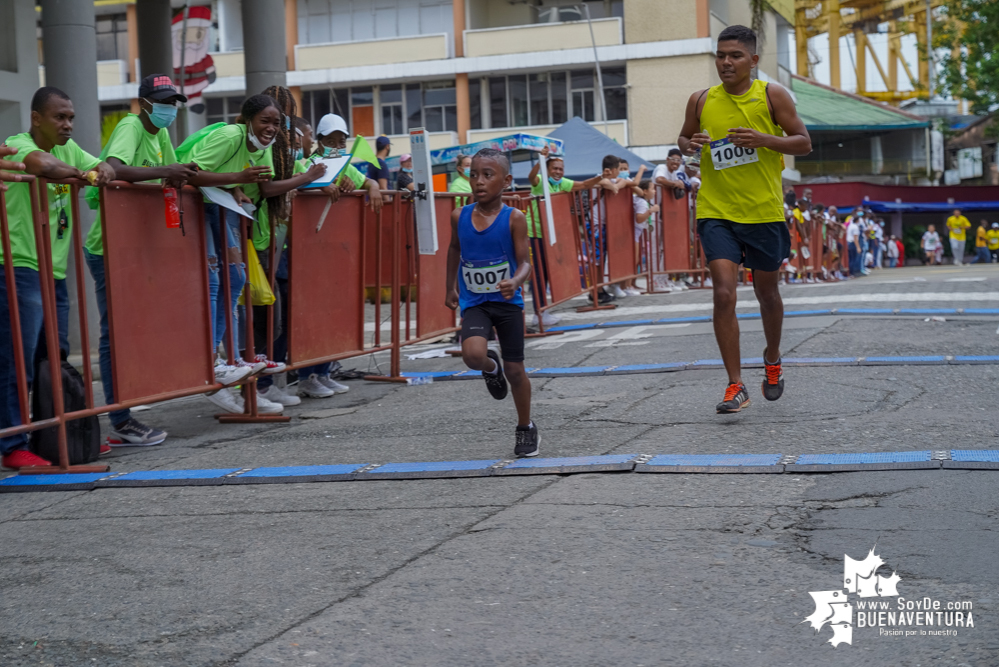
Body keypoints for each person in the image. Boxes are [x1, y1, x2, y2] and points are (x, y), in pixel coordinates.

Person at [677, 24, 811, 414]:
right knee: (723, 293)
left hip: (763, 212)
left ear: (753, 60)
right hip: (716, 210)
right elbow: (683, 140)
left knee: (767, 294)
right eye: (720, 55)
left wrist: (764, 139)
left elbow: (803, 142)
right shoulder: (701, 100)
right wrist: (692, 144)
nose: (725, 62)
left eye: (735, 55)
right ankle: (735, 384)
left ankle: (772, 358)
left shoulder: (771, 95)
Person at [186, 94, 328, 415]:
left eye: (277, 123)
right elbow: (191, 173)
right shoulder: (228, 136)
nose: (271, 128)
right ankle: (214, 362)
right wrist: (236, 181)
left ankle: (236, 362)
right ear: (247, 119)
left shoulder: (262, 147)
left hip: (225, 208)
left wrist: (236, 189)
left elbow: (253, 184)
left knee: (236, 279)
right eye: (265, 121)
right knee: (214, 283)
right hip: (202, 208)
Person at [83, 74, 201, 447]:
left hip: (135, 245)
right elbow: (114, 168)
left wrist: (181, 173)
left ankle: (132, 403)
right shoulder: (131, 126)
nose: (170, 109)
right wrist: (166, 171)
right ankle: (119, 418)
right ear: (145, 103)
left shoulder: (160, 134)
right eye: (164, 101)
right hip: (109, 246)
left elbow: (167, 173)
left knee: (139, 327)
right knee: (115, 332)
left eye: (174, 102)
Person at [1, 87, 116, 470]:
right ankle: (12, 444)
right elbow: (41, 166)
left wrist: (104, 169)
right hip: (18, 265)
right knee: (16, 358)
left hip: (53, 270)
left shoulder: (71, 149)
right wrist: (85, 174)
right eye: (59, 117)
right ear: (36, 119)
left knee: (52, 357)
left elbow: (105, 168)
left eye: (70, 118)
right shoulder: (18, 144)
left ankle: (56, 434)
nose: (67, 124)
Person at [444, 148, 539, 458]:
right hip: (475, 300)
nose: (479, 182)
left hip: (508, 302)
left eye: (487, 175)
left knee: (515, 370)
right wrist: (449, 287)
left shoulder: (515, 218)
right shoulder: (459, 216)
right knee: (472, 355)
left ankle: (525, 426)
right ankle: (489, 365)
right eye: (473, 175)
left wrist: (515, 281)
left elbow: (525, 263)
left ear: (506, 181)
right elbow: (454, 251)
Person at [295, 112, 382, 399]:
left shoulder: (344, 164)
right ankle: (306, 376)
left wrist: (373, 188)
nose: (336, 145)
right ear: (318, 141)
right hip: (307, 248)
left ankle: (322, 371)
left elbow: (367, 182)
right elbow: (298, 184)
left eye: (341, 140)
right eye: (330, 140)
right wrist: (319, 186)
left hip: (333, 250)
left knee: (329, 312)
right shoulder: (306, 163)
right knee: (311, 314)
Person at [525, 146, 615, 312]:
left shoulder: (563, 183)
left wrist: (601, 177)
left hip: (550, 234)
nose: (558, 172)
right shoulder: (540, 180)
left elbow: (584, 185)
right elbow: (531, 177)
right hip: (535, 233)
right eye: (555, 169)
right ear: (547, 170)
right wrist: (541, 161)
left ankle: (543, 310)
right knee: (538, 273)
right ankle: (539, 313)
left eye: (561, 169)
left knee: (547, 272)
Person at [845, 211, 863, 276]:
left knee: (850, 259)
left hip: (848, 243)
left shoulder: (850, 226)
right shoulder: (855, 227)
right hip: (852, 243)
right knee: (853, 259)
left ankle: (850, 273)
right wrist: (858, 247)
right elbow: (855, 238)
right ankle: (852, 273)